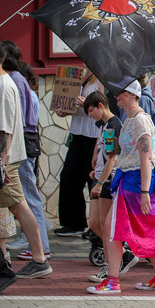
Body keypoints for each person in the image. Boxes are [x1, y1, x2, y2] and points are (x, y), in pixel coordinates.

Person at [0, 39, 51, 278]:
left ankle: (39, 259)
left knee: (19, 206)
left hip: (3, 162)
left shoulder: (4, 86)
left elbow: (4, 131)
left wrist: (1, 163)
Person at [88, 79, 155, 293]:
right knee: (143, 227)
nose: (117, 97)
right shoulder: (130, 119)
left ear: (134, 95)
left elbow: (146, 158)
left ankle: (113, 280)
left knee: (112, 228)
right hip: (132, 180)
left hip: (134, 180)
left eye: (122, 94)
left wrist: (145, 191)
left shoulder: (138, 121)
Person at [0, 40, 50, 259]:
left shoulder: (15, 80)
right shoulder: (15, 79)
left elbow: (17, 117)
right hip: (21, 142)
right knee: (25, 196)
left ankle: (41, 248)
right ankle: (38, 245)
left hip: (21, 144)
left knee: (29, 197)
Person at [83, 92, 132, 283]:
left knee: (105, 224)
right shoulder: (104, 125)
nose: (90, 115)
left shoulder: (113, 124)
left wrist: (101, 182)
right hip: (101, 177)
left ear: (100, 105)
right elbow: (104, 152)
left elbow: (112, 157)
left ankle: (112, 263)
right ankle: (122, 253)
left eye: (91, 110)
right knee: (95, 223)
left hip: (109, 179)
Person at [53, 70, 104, 238]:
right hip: (78, 132)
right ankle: (73, 222)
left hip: (93, 134)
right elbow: (71, 102)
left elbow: (104, 106)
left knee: (92, 178)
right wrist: (65, 110)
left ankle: (96, 226)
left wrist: (86, 104)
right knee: (69, 176)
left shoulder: (102, 79)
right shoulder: (80, 76)